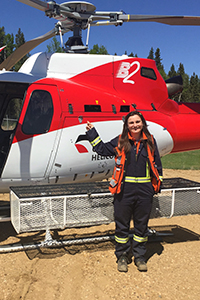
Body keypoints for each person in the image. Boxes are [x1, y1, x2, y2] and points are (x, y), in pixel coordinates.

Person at [86, 111, 163, 272]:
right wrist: (92, 133)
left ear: (143, 123)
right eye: (131, 123)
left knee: (141, 226)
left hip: (144, 191)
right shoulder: (121, 141)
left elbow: (157, 164)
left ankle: (140, 256)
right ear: (127, 126)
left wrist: (156, 186)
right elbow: (102, 149)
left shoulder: (150, 141)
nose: (135, 125)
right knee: (122, 226)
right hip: (124, 190)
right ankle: (122, 256)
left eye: (137, 122)